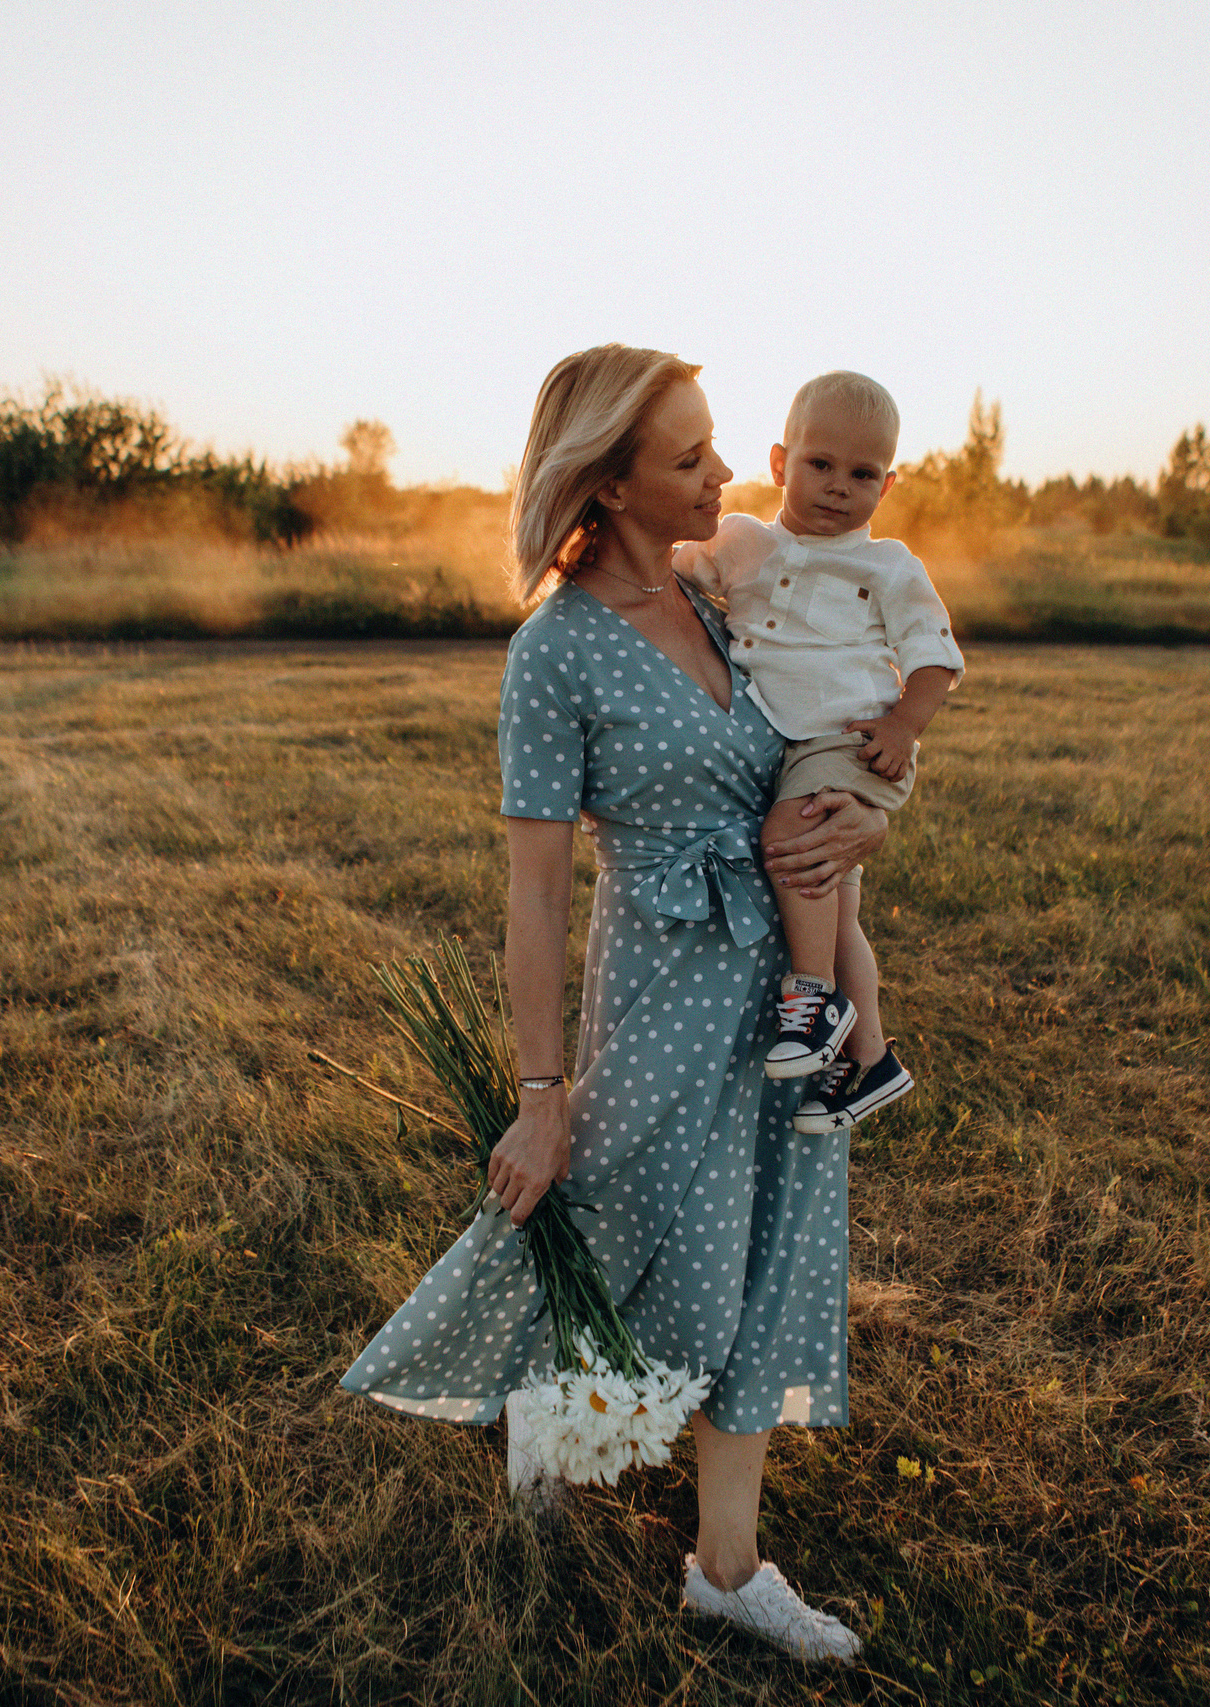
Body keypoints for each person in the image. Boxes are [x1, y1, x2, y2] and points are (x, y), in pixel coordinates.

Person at [340, 345, 887, 1664]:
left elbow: (827, 751)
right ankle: (552, 1429)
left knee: (763, 1249)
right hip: (662, 986)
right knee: (622, 1228)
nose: (724, 468)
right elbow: (534, 892)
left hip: (790, 981)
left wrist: (862, 837)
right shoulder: (556, 653)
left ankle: (729, 1563)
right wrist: (541, 1092)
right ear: (613, 478)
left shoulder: (728, 592)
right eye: (690, 454)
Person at [673, 371, 962, 1134]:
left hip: (854, 740)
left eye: (863, 474)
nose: (839, 487)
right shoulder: (743, 542)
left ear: (888, 484)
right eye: (820, 465)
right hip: (793, 746)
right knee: (841, 913)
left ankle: (812, 1000)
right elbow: (677, 571)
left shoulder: (888, 566)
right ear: (778, 462)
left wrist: (906, 724)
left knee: (791, 840)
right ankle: (871, 1059)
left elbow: (933, 655)